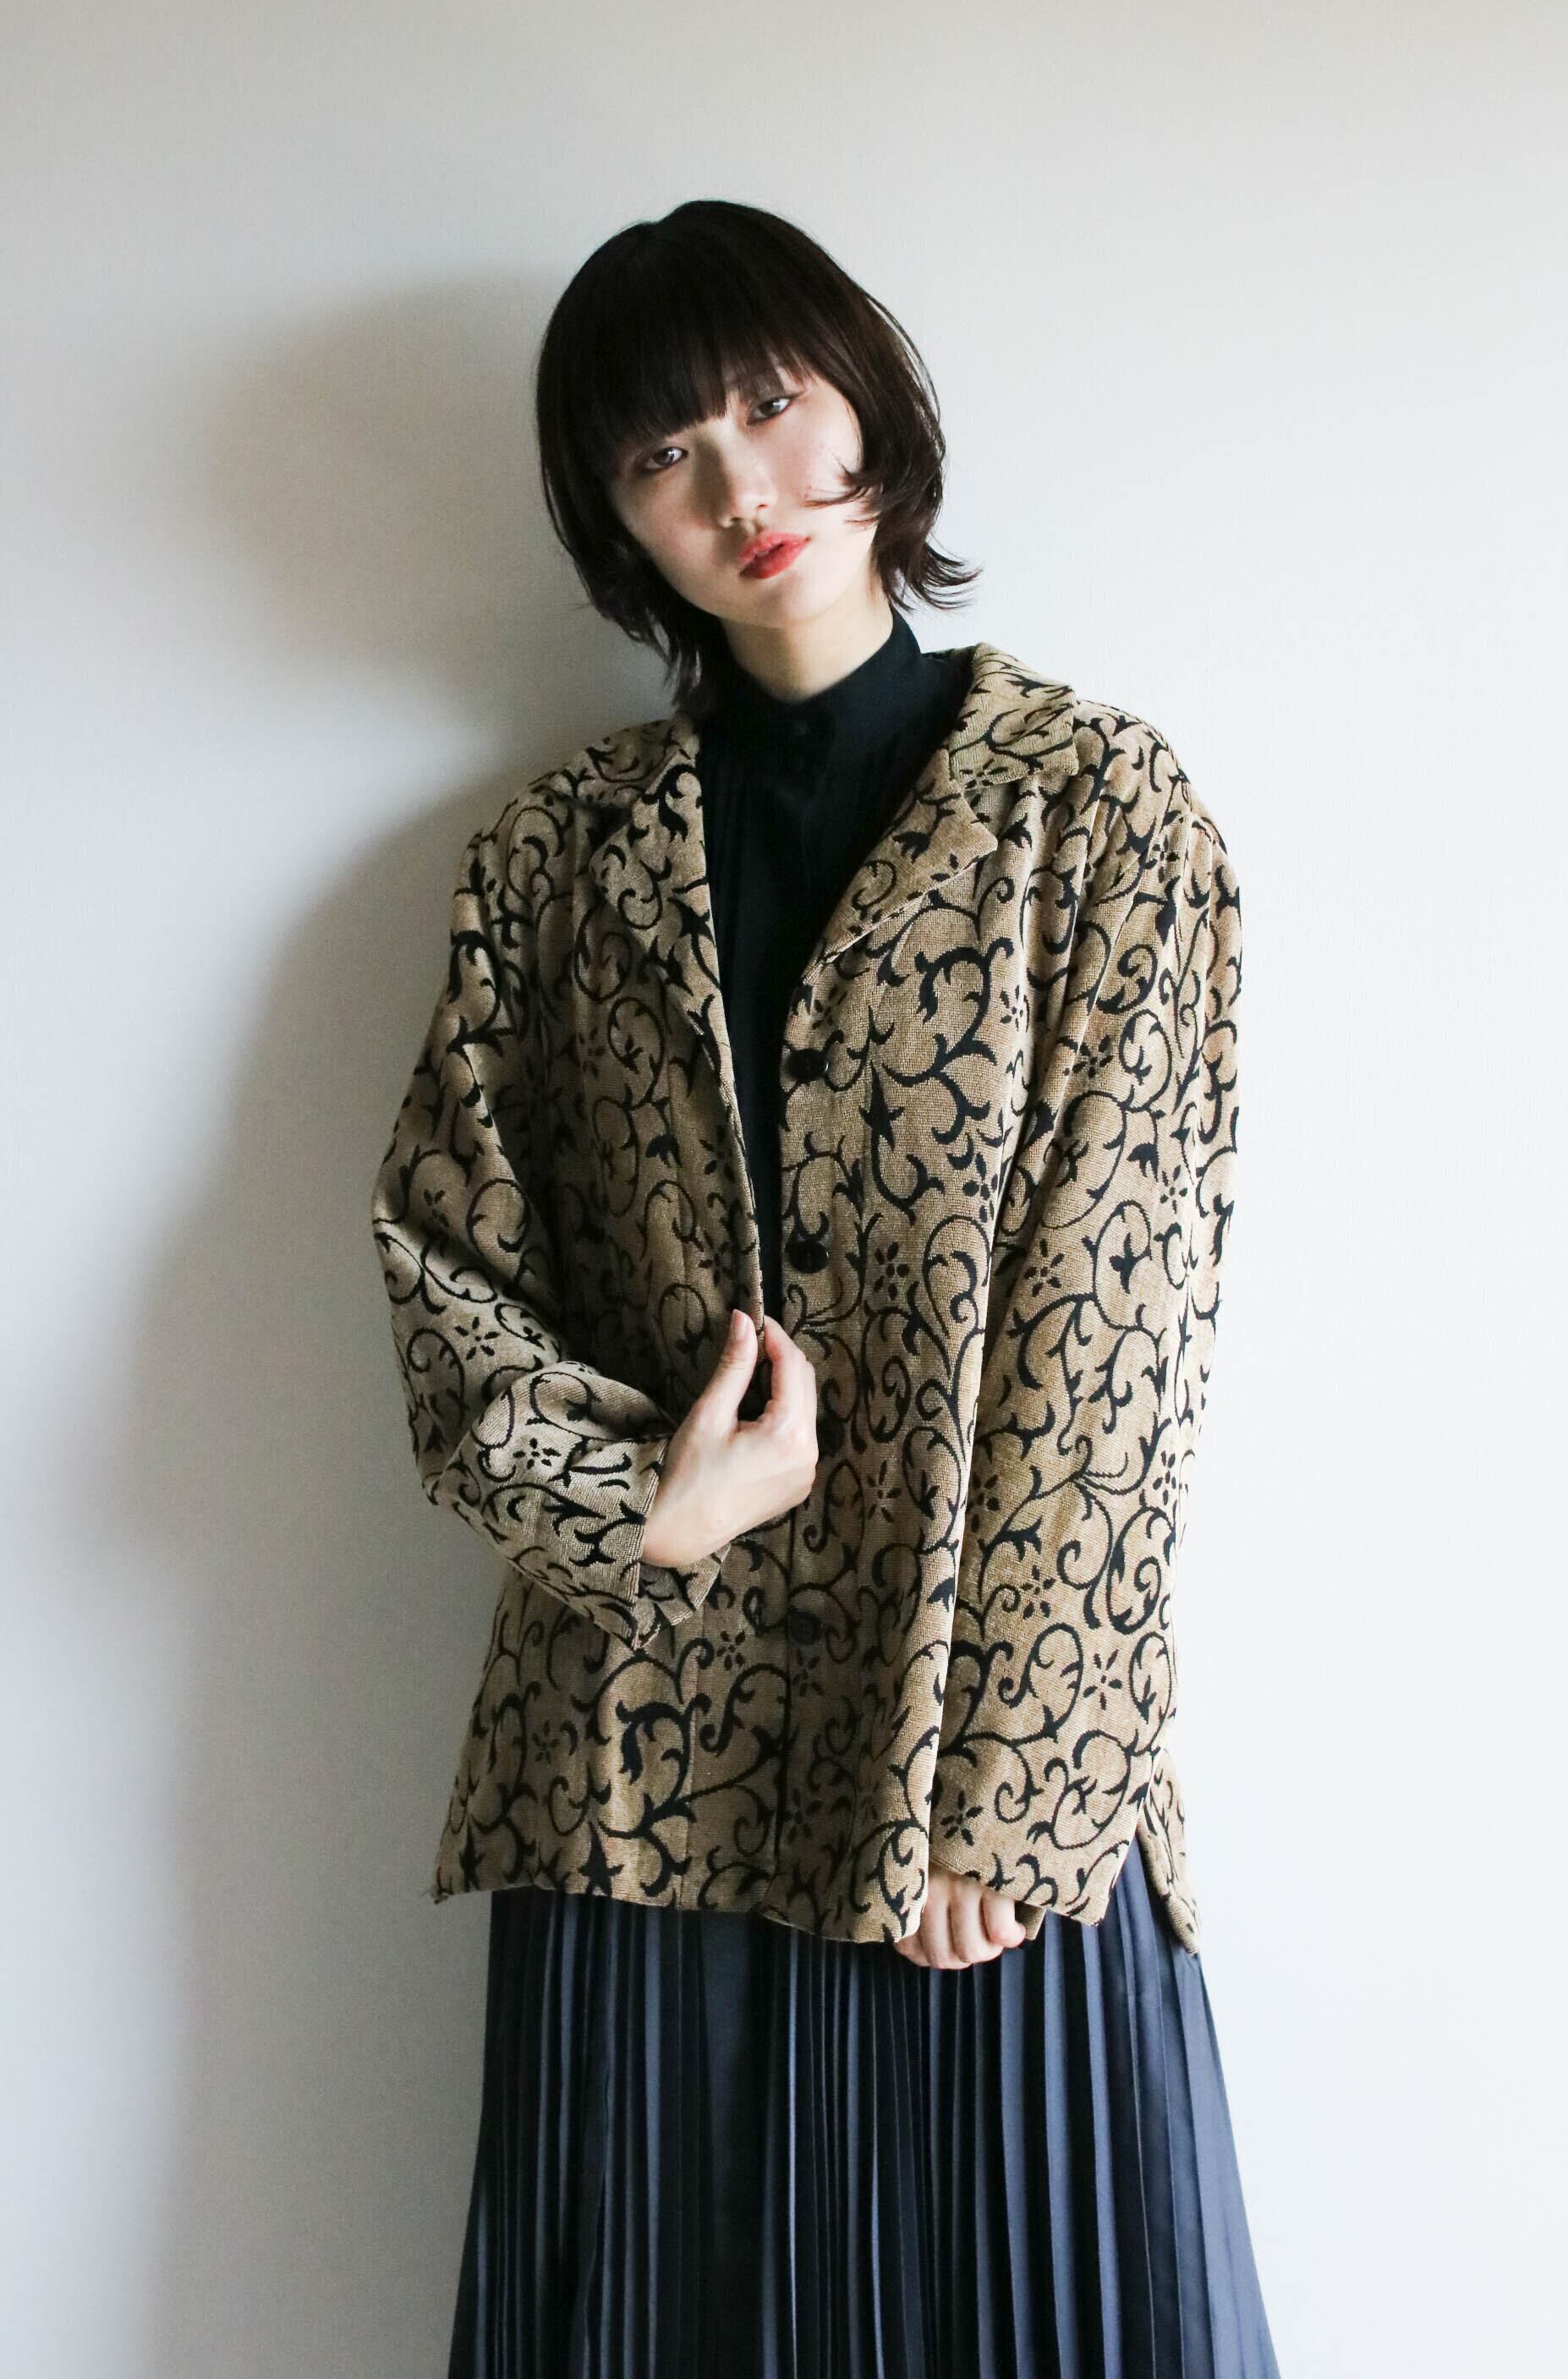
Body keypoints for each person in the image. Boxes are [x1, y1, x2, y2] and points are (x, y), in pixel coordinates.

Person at [370, 198, 1280, 2377]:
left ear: (868, 400)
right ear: (614, 521)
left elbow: (1118, 1326)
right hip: (634, 1769)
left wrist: (1015, 1788)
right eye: (663, 455)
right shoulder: (554, 863)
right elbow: (441, 1258)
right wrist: (641, 1502)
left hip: (968, 1766)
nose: (742, 489)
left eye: (773, 405)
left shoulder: (1096, 816)